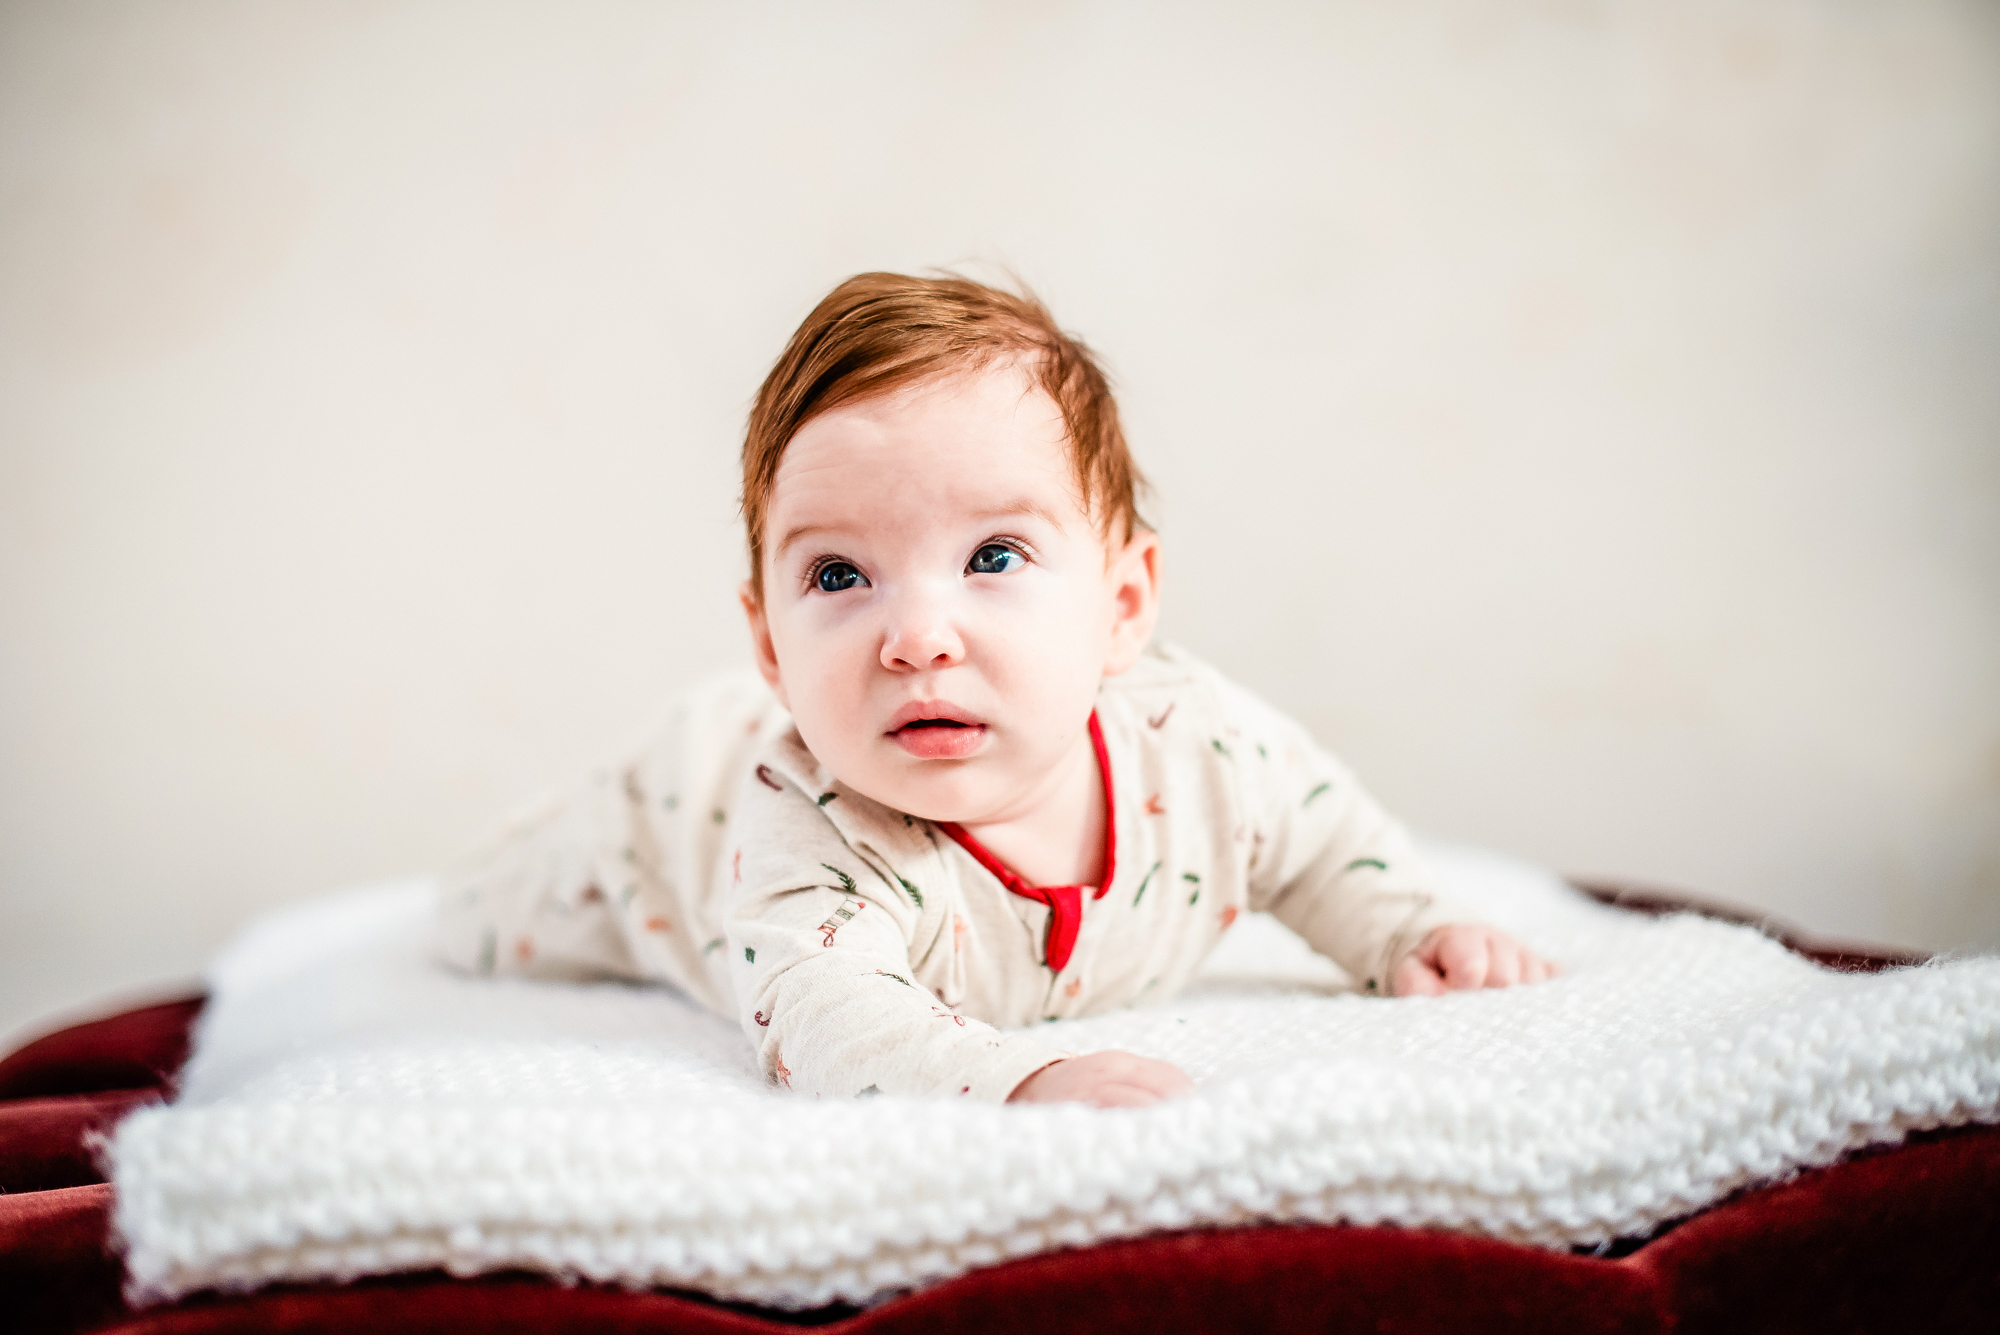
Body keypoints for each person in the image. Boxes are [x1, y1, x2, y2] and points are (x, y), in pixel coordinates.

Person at [435, 272, 1556, 1108]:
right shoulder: (809, 832)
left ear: (1122, 606)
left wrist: (1408, 930)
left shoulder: (1198, 750)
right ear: (770, 646)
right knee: (483, 919)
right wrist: (1013, 1081)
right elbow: (832, 1025)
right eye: (837, 576)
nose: (918, 639)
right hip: (667, 812)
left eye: (994, 558)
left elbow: (1319, 843)